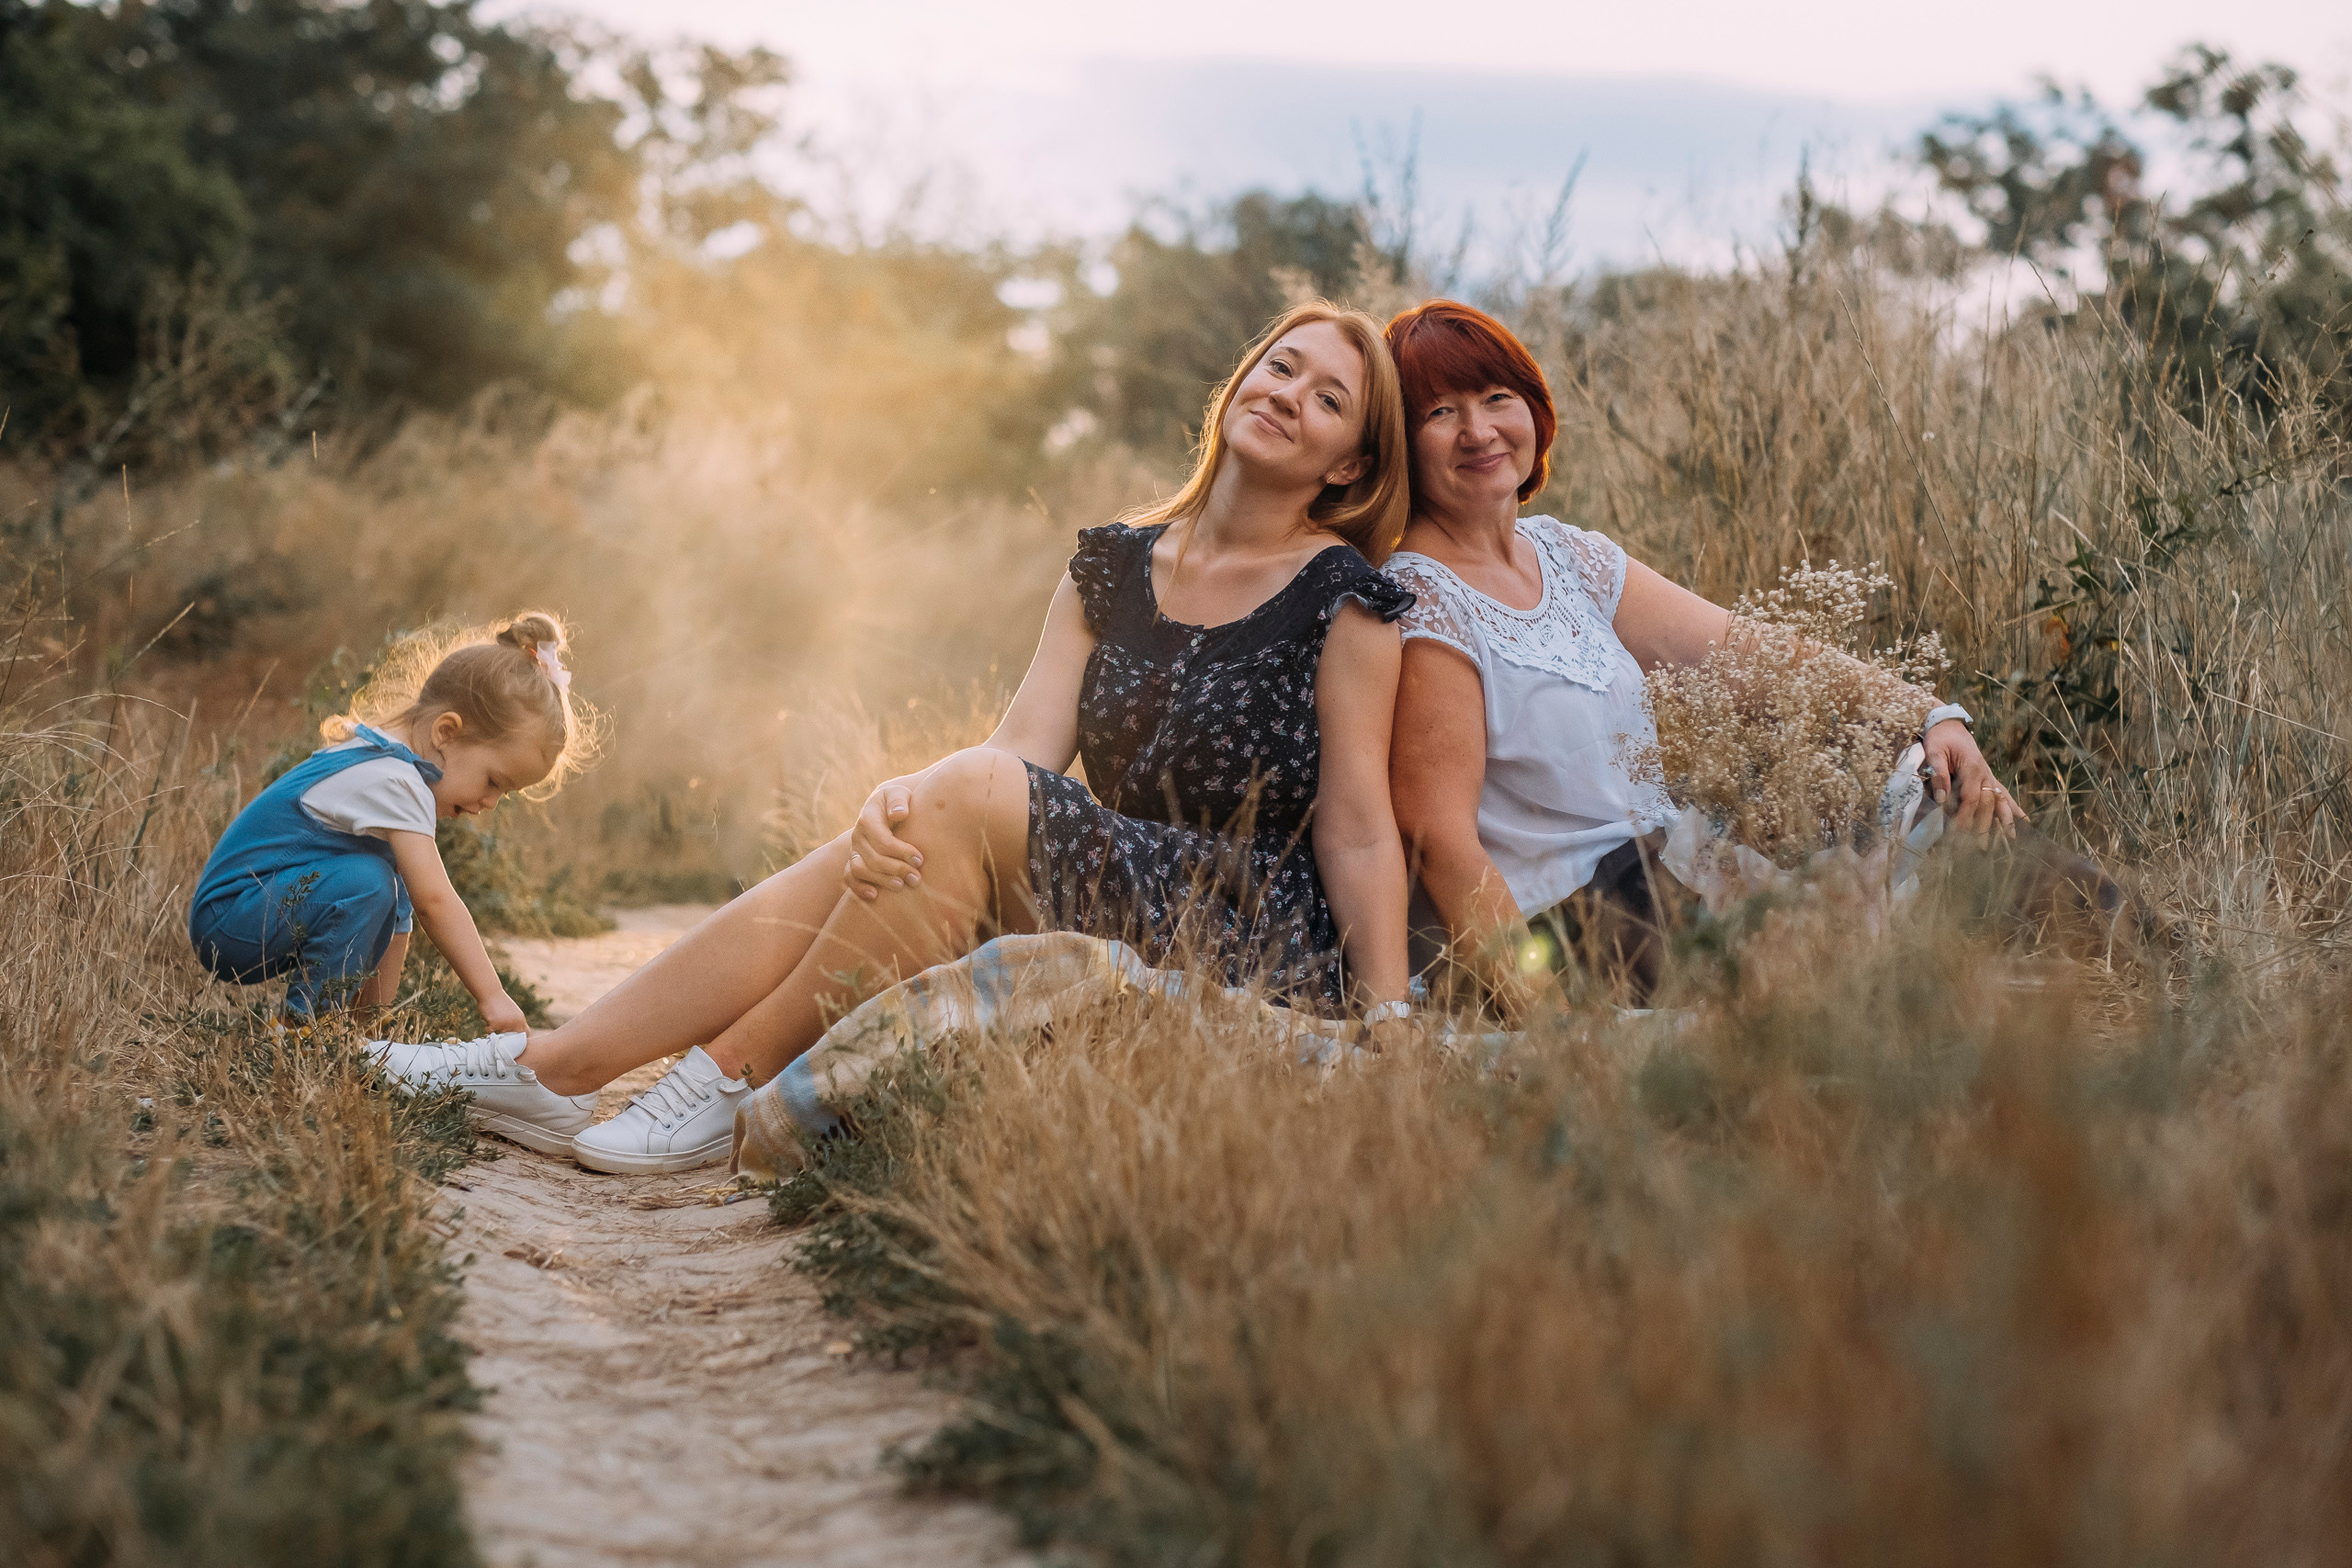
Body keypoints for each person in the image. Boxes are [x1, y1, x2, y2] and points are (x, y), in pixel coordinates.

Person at [371, 301, 1419, 1174]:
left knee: (943, 800)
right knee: (915, 815)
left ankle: (720, 1078)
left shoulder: (1346, 599)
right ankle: (557, 1071)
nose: (1290, 395)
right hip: (1115, 877)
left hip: (1249, 922)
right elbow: (1020, 751)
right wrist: (902, 796)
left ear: (1346, 465)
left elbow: (1361, 831)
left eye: (1328, 399)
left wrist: (1387, 1016)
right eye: (1280, 367)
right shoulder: (1112, 565)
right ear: (1240, 381)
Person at [1379, 300, 2019, 1013]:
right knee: (1874, 991)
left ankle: (2144, 962)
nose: (1478, 430)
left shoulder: (1568, 555)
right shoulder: (1420, 598)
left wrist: (1933, 716)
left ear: (1533, 410)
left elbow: (1753, 655)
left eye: (1497, 399)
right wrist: (1553, 1034)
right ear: (1400, 442)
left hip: (1672, 873)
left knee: (1942, 807)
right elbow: (1441, 843)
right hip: (1583, 924)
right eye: (1440, 412)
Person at [190, 614, 599, 1147]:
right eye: (493, 780)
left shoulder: (391, 763)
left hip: (257, 910)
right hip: (230, 919)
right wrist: (493, 997)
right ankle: (303, 1042)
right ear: (446, 732)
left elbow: (404, 914)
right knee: (368, 880)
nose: (487, 804)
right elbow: (436, 901)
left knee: (383, 882)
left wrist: (376, 1040)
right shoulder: (393, 777)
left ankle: (347, 1045)